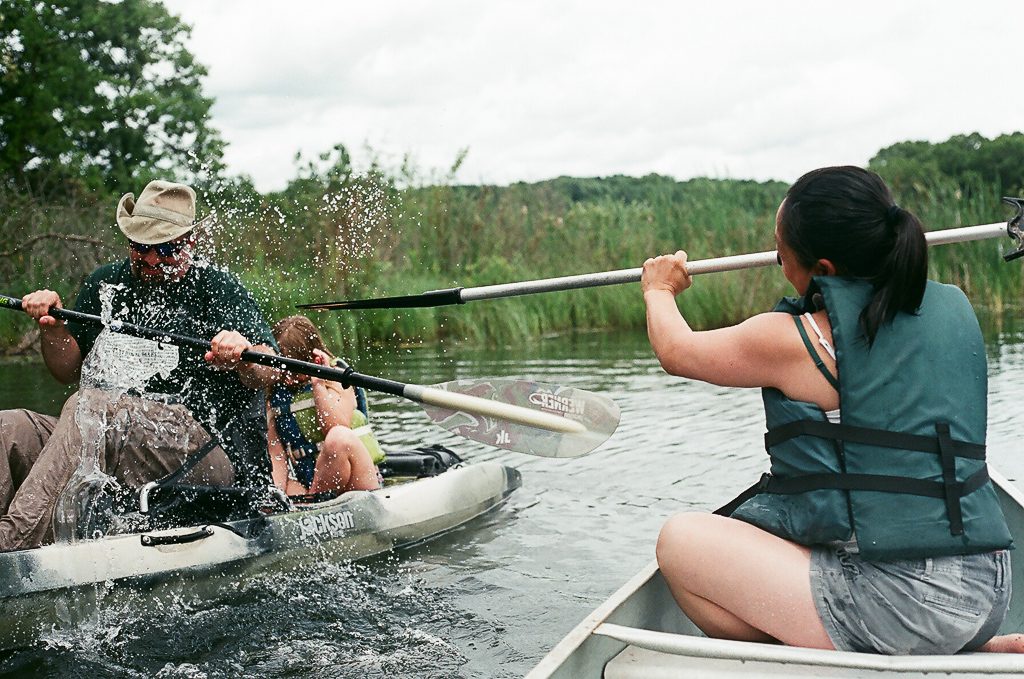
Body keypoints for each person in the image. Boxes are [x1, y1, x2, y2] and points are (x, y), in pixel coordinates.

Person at [643, 166, 1024, 655]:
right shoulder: (948, 313)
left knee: (680, 541)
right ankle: (960, 645)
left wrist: (659, 288)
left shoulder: (799, 340)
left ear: (821, 269)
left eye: (781, 252)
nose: (778, 260)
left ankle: (873, 650)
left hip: (908, 602)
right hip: (989, 587)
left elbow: (678, 351)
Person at [0, 180, 282, 551]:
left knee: (92, 408)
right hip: (105, 430)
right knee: (11, 426)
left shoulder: (217, 288)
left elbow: (272, 368)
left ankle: (11, 545)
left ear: (189, 243)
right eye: (141, 246)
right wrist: (52, 331)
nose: (151, 259)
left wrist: (242, 353)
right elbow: (66, 371)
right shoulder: (104, 283)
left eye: (165, 249)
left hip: (204, 455)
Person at [266, 315, 383, 498]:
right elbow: (277, 455)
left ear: (311, 359)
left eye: (295, 371)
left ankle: (313, 502)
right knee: (282, 487)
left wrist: (318, 384)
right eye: (282, 370)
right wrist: (276, 497)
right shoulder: (275, 395)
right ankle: (304, 505)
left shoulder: (338, 379)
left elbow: (335, 428)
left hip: (355, 480)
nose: (288, 378)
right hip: (310, 482)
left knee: (339, 436)